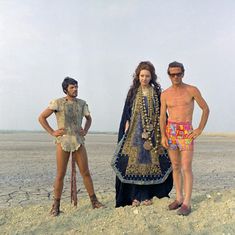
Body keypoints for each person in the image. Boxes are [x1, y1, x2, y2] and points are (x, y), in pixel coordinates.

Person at [38, 77, 103, 216]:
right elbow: (41, 117)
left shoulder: (82, 103)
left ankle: (94, 201)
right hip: (63, 141)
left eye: (76, 87)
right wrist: (53, 132)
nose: (75, 89)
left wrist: (85, 131)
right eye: (72, 87)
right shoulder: (58, 102)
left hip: (78, 141)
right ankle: (55, 206)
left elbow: (89, 118)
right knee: (60, 174)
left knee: (85, 172)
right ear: (66, 89)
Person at [111, 61, 173, 207]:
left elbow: (162, 114)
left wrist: (164, 131)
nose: (144, 78)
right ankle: (134, 197)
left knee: (150, 165)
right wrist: (126, 123)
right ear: (137, 76)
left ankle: (148, 196)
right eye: (142, 75)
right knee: (133, 165)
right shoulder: (132, 92)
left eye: (147, 76)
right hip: (135, 134)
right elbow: (126, 112)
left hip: (153, 134)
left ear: (152, 77)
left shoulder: (157, 93)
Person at [160, 61, 210, 216]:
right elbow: (162, 116)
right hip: (171, 131)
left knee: (186, 167)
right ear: (169, 75)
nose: (175, 76)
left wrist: (199, 129)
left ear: (183, 73)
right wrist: (163, 135)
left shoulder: (192, 90)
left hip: (186, 131)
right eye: (172, 74)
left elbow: (205, 108)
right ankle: (179, 197)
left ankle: (187, 202)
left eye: (178, 73)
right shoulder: (165, 94)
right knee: (175, 166)